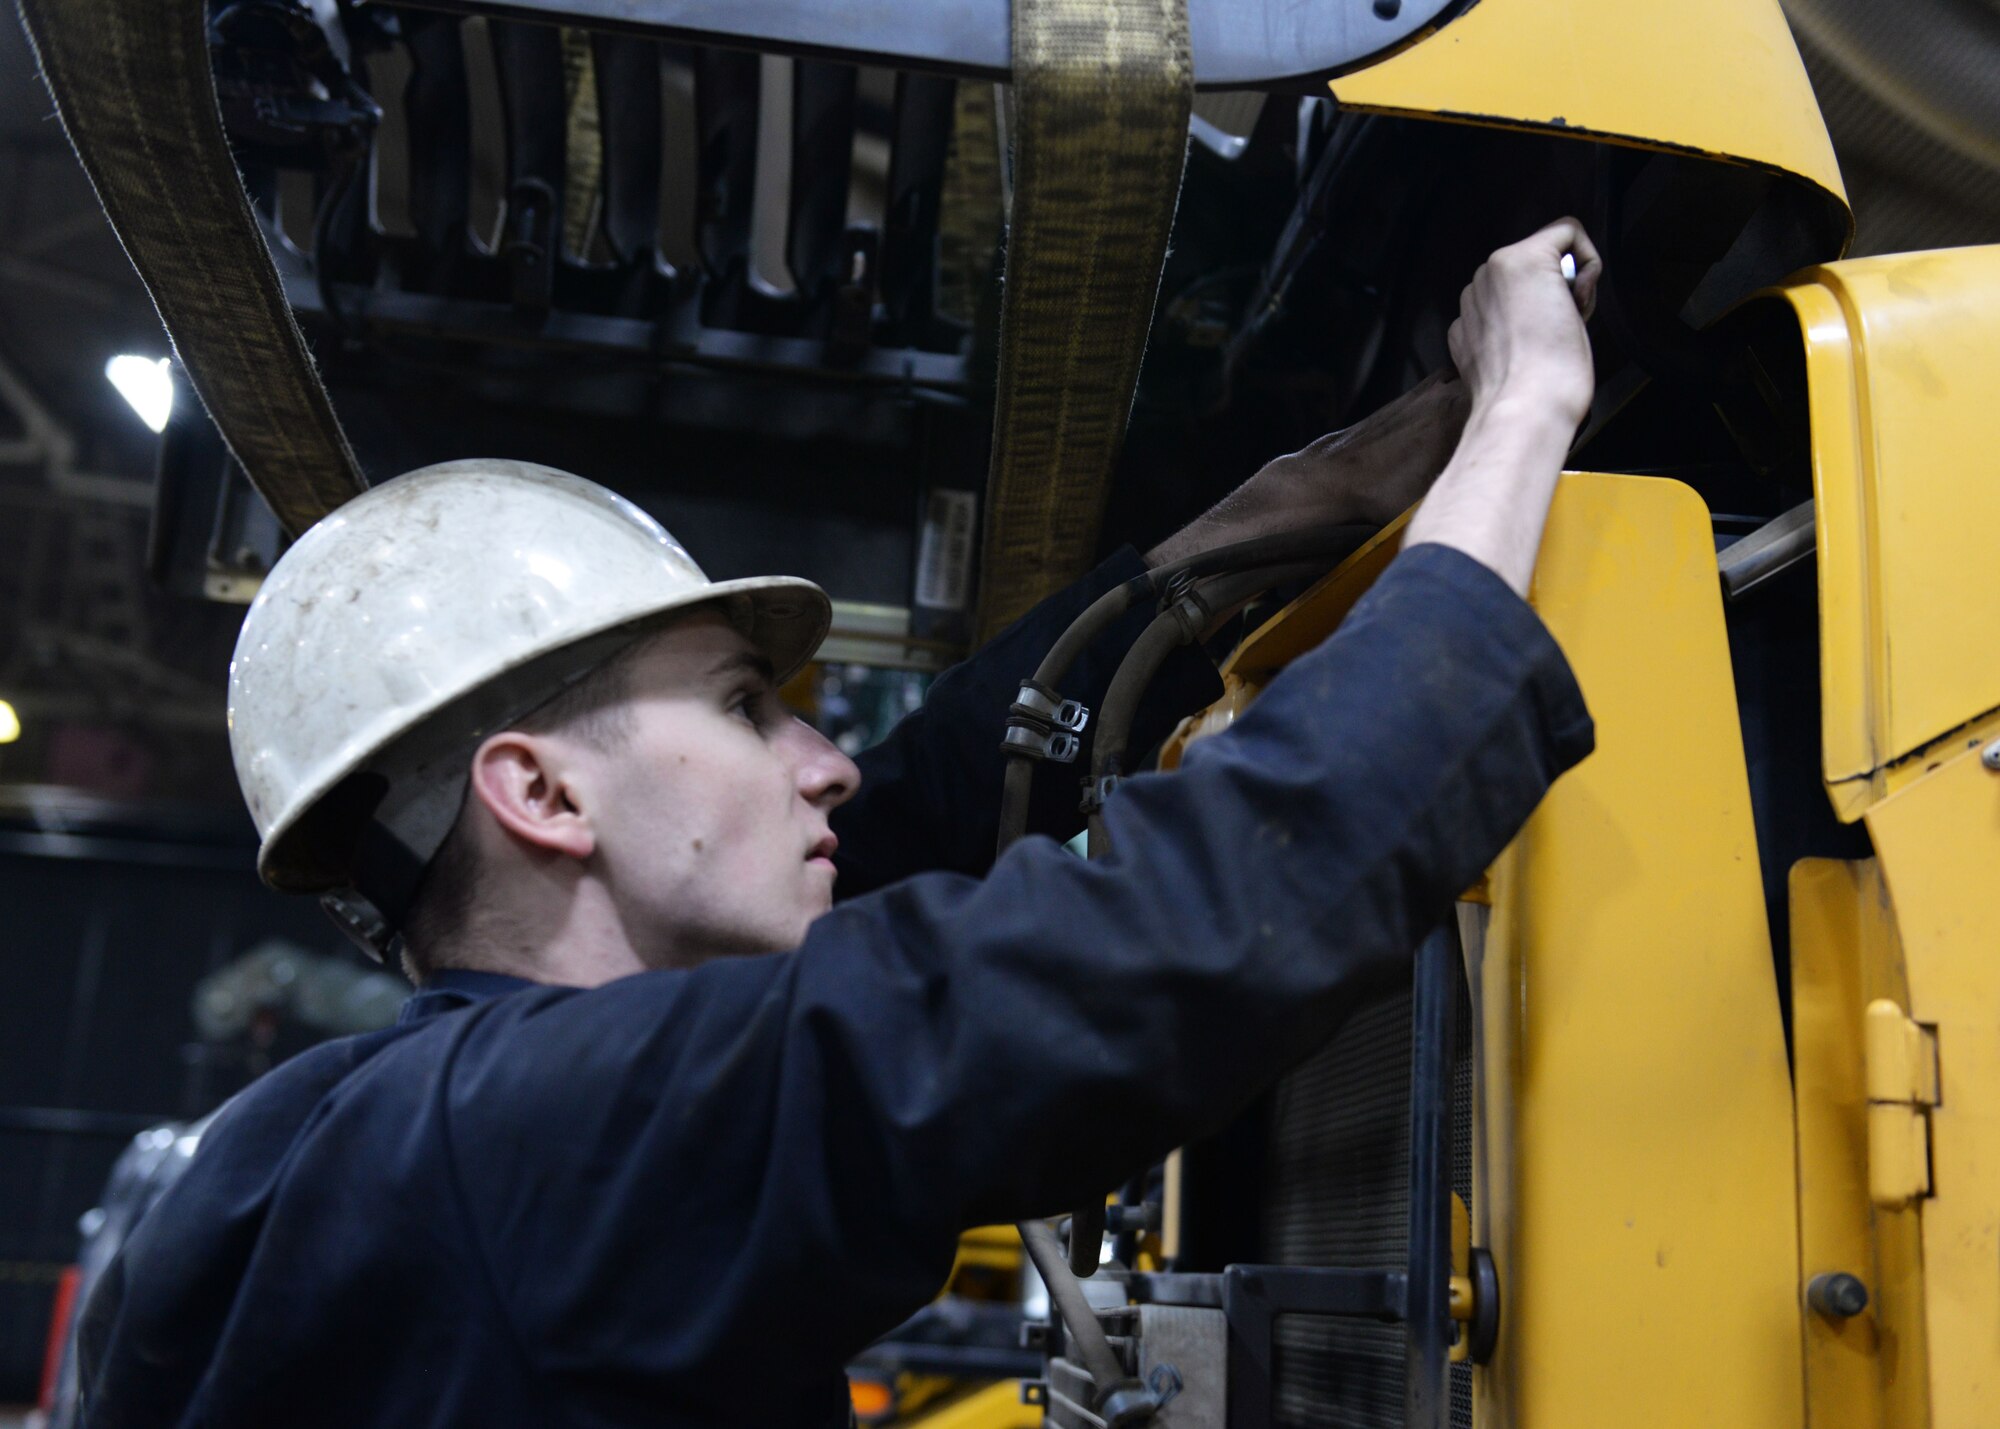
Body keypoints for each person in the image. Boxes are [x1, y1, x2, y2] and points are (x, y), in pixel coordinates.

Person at [73, 218, 1601, 1427]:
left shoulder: (330, 1147)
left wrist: (1276, 521)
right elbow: (1167, 932)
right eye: (746, 706)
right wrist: (1526, 416)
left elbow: (932, 794)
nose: (827, 762)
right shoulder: (552, 1129)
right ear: (538, 792)